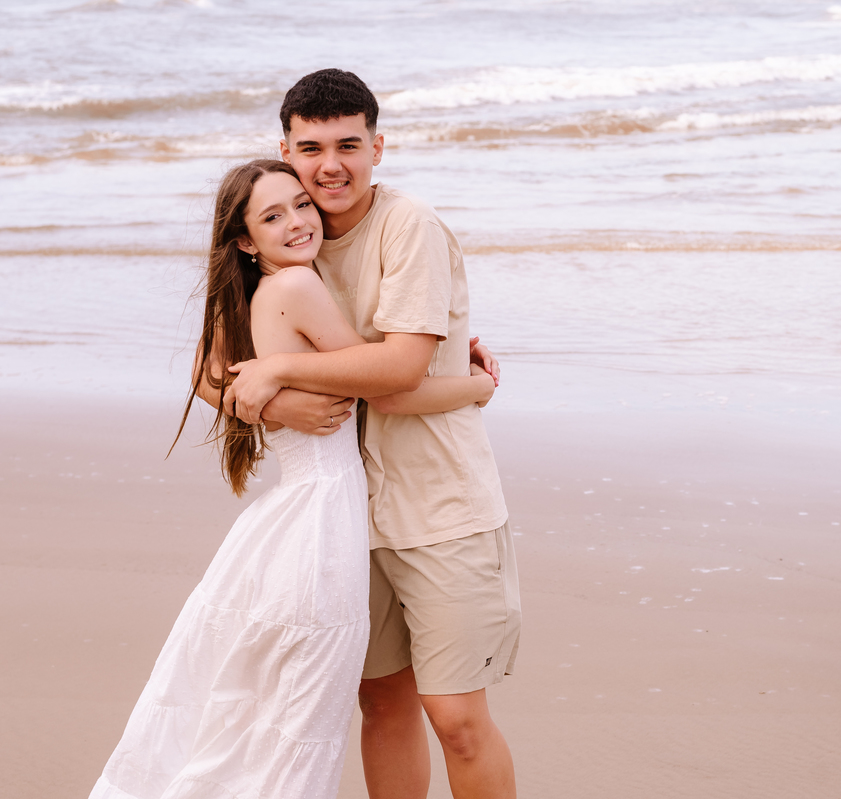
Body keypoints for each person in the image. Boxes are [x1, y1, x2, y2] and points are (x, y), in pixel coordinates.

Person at [90, 160, 497, 799]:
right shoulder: (295, 289)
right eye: (273, 216)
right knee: (302, 705)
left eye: (300, 205)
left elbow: (217, 365)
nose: (298, 221)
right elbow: (389, 383)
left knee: (275, 702)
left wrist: (275, 380)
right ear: (246, 241)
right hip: (322, 520)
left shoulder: (256, 291)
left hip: (304, 511)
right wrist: (479, 384)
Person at [221, 69, 520, 799]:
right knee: (381, 704)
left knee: (455, 717)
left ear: (378, 147)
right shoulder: (292, 232)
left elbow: (400, 365)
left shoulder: (407, 225)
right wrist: (269, 404)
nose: (330, 166)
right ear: (284, 148)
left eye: (349, 144)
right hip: (347, 520)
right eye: (311, 146)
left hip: (442, 509)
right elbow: (212, 364)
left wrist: (281, 371)